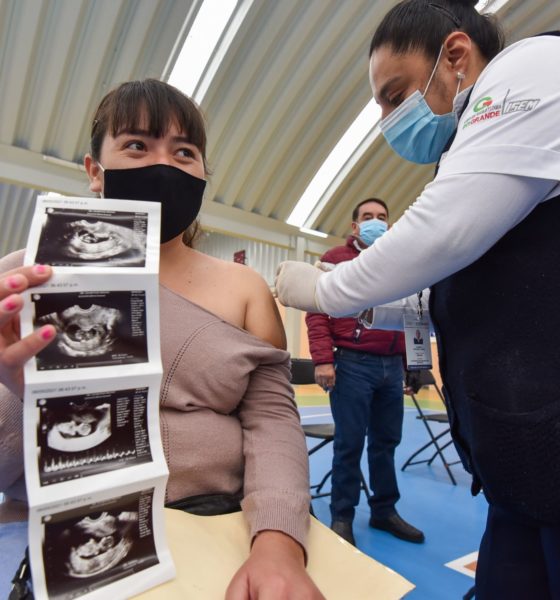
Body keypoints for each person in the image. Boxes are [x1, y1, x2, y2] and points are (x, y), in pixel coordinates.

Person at [276, 1, 560, 598]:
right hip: (521, 469)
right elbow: (458, 289)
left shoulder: (536, 66)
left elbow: (443, 232)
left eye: (394, 93)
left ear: (455, 56)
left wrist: (326, 289)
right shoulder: (469, 157)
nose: (386, 117)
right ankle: (353, 511)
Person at [0, 79, 324, 599]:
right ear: (93, 171)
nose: (164, 164)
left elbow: (272, 421)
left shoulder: (244, 289)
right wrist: (28, 392)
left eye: (185, 152)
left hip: (219, 529)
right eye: (136, 145)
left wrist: (278, 541)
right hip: (79, 537)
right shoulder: (30, 277)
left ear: (202, 175)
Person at [306, 198, 424, 546]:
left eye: (382, 217)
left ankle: (384, 511)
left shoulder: (400, 260)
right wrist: (323, 359)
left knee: (386, 443)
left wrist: (414, 363)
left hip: (391, 367)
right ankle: (342, 516)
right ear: (355, 226)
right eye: (368, 217)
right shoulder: (333, 260)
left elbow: (412, 313)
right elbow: (317, 312)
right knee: (349, 443)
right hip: (352, 365)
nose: (377, 222)